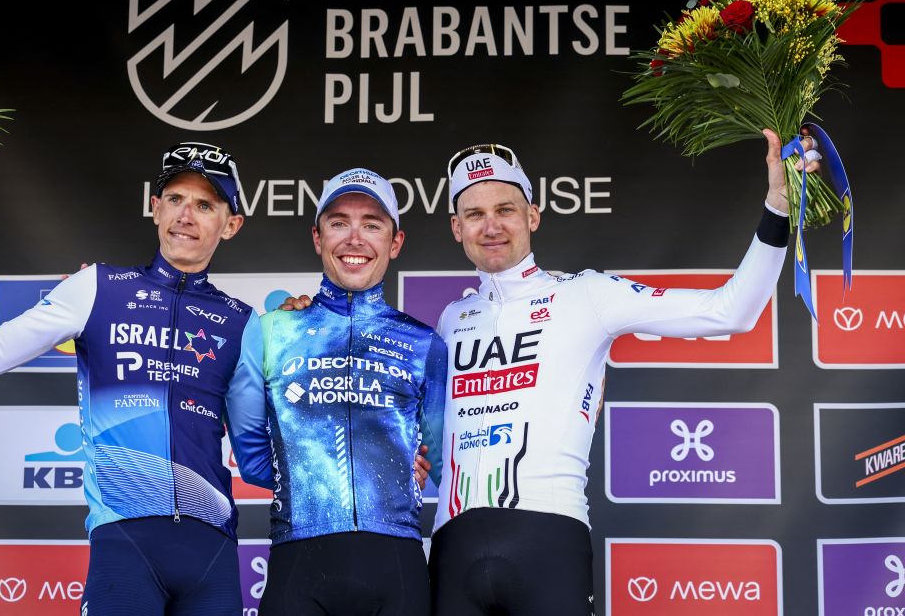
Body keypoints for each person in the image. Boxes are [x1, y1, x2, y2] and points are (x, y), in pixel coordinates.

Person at [427, 131, 820, 615]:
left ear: (532, 215)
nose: (491, 226)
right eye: (475, 214)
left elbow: (730, 311)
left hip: (548, 538)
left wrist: (777, 207)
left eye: (505, 209)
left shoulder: (585, 295)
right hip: (452, 548)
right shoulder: (449, 321)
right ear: (455, 227)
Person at [0, 142, 273, 615]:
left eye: (205, 205)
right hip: (125, 545)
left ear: (231, 225)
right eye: (175, 198)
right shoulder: (97, 288)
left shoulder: (242, 323)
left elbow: (256, 459)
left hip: (212, 553)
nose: (186, 215)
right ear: (154, 207)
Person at [257, 168, 446, 615]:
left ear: (395, 242)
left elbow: (445, 463)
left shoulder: (424, 343)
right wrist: (297, 469)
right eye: (339, 222)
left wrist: (405, 464)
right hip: (297, 556)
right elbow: (245, 445)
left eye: (372, 225)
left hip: (395, 563)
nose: (354, 239)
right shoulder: (272, 331)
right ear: (318, 237)